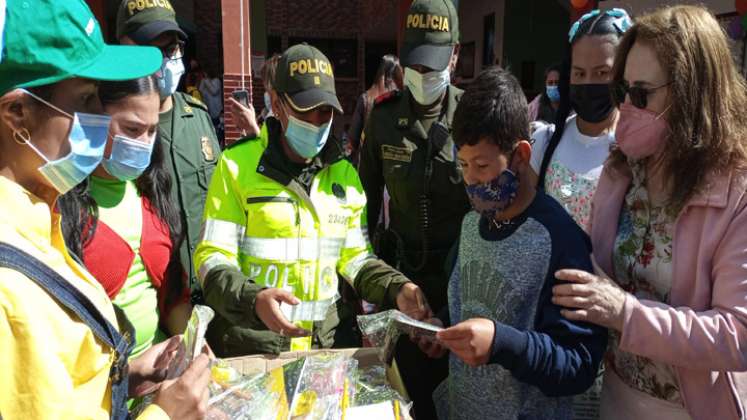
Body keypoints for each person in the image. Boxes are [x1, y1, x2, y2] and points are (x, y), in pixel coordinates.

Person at [0, 1, 210, 418]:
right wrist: (166, 415)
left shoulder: (43, 219)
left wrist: (124, 374)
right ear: (16, 114)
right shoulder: (10, 287)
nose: (100, 117)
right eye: (87, 99)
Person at [552, 5, 747, 419]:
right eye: (622, 90)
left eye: (641, 94)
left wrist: (625, 313)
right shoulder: (622, 170)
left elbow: (738, 335)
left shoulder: (736, 193)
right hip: (614, 397)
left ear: (692, 92)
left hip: (688, 408)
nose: (624, 106)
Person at [193, 44, 430, 358]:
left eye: (326, 110)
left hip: (326, 348)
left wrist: (397, 288)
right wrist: (254, 299)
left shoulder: (345, 176)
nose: (318, 121)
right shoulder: (236, 167)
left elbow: (356, 259)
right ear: (277, 104)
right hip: (256, 348)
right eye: (306, 109)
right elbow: (213, 260)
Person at [418, 66, 607, 420]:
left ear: (521, 155)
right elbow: (474, 304)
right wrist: (443, 331)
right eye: (463, 165)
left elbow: (579, 363)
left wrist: (504, 344)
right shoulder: (472, 223)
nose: (471, 180)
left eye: (482, 166)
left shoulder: (560, 240)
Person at [358, 0, 469, 417]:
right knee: (405, 401)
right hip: (401, 287)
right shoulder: (382, 118)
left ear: (455, 54)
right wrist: (368, 285)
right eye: (415, 66)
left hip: (459, 287)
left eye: (433, 66)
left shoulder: (471, 116)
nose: (422, 77)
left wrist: (448, 308)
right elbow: (364, 208)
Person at [58, 75, 192, 359]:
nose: (143, 143)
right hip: (98, 389)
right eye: (132, 129)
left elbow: (172, 296)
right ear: (94, 117)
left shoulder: (152, 192)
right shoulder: (57, 203)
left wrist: (190, 349)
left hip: (159, 381)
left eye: (152, 130)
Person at [117, 0, 222, 299]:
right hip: (154, 299)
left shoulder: (199, 118)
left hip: (208, 292)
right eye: (156, 49)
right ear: (126, 48)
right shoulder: (116, 129)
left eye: (173, 48)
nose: (168, 59)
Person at [530, 9, 632, 231]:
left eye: (602, 73)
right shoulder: (544, 142)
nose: (588, 83)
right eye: (579, 73)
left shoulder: (635, 149)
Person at [347, 54, 403, 164]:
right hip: (394, 165)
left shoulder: (366, 98)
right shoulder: (402, 100)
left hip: (367, 165)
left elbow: (353, 140)